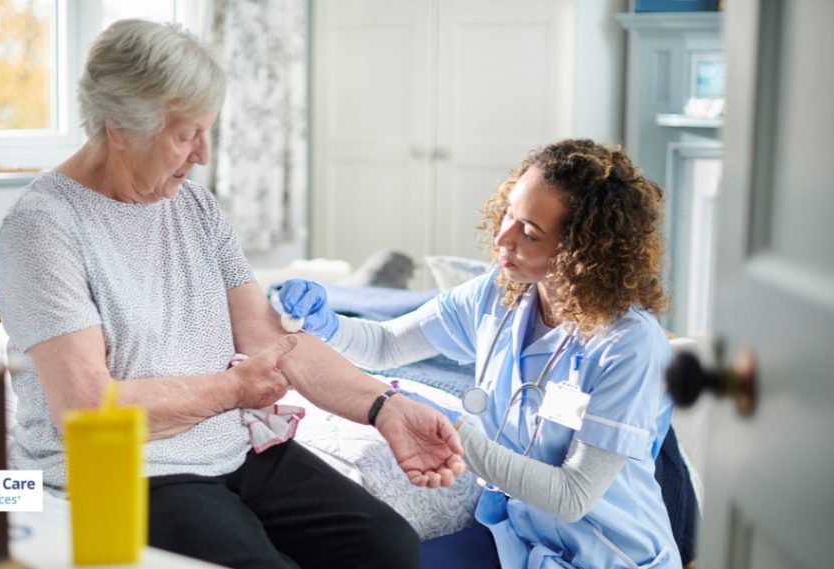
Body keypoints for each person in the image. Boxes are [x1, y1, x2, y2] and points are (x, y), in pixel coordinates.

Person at [0, 19, 464, 569]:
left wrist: (384, 407)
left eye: (207, 132)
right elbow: (87, 410)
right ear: (118, 127)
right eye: (185, 134)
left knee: (388, 547)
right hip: (121, 469)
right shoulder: (43, 226)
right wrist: (232, 389)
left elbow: (268, 336)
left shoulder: (194, 206)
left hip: (233, 451)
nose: (203, 155)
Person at [277, 139, 683, 568]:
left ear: (582, 252)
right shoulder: (497, 294)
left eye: (529, 233)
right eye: (508, 212)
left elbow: (572, 497)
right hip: (520, 540)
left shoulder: (629, 345)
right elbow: (386, 344)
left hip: (607, 554)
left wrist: (450, 428)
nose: (501, 238)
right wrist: (327, 323)